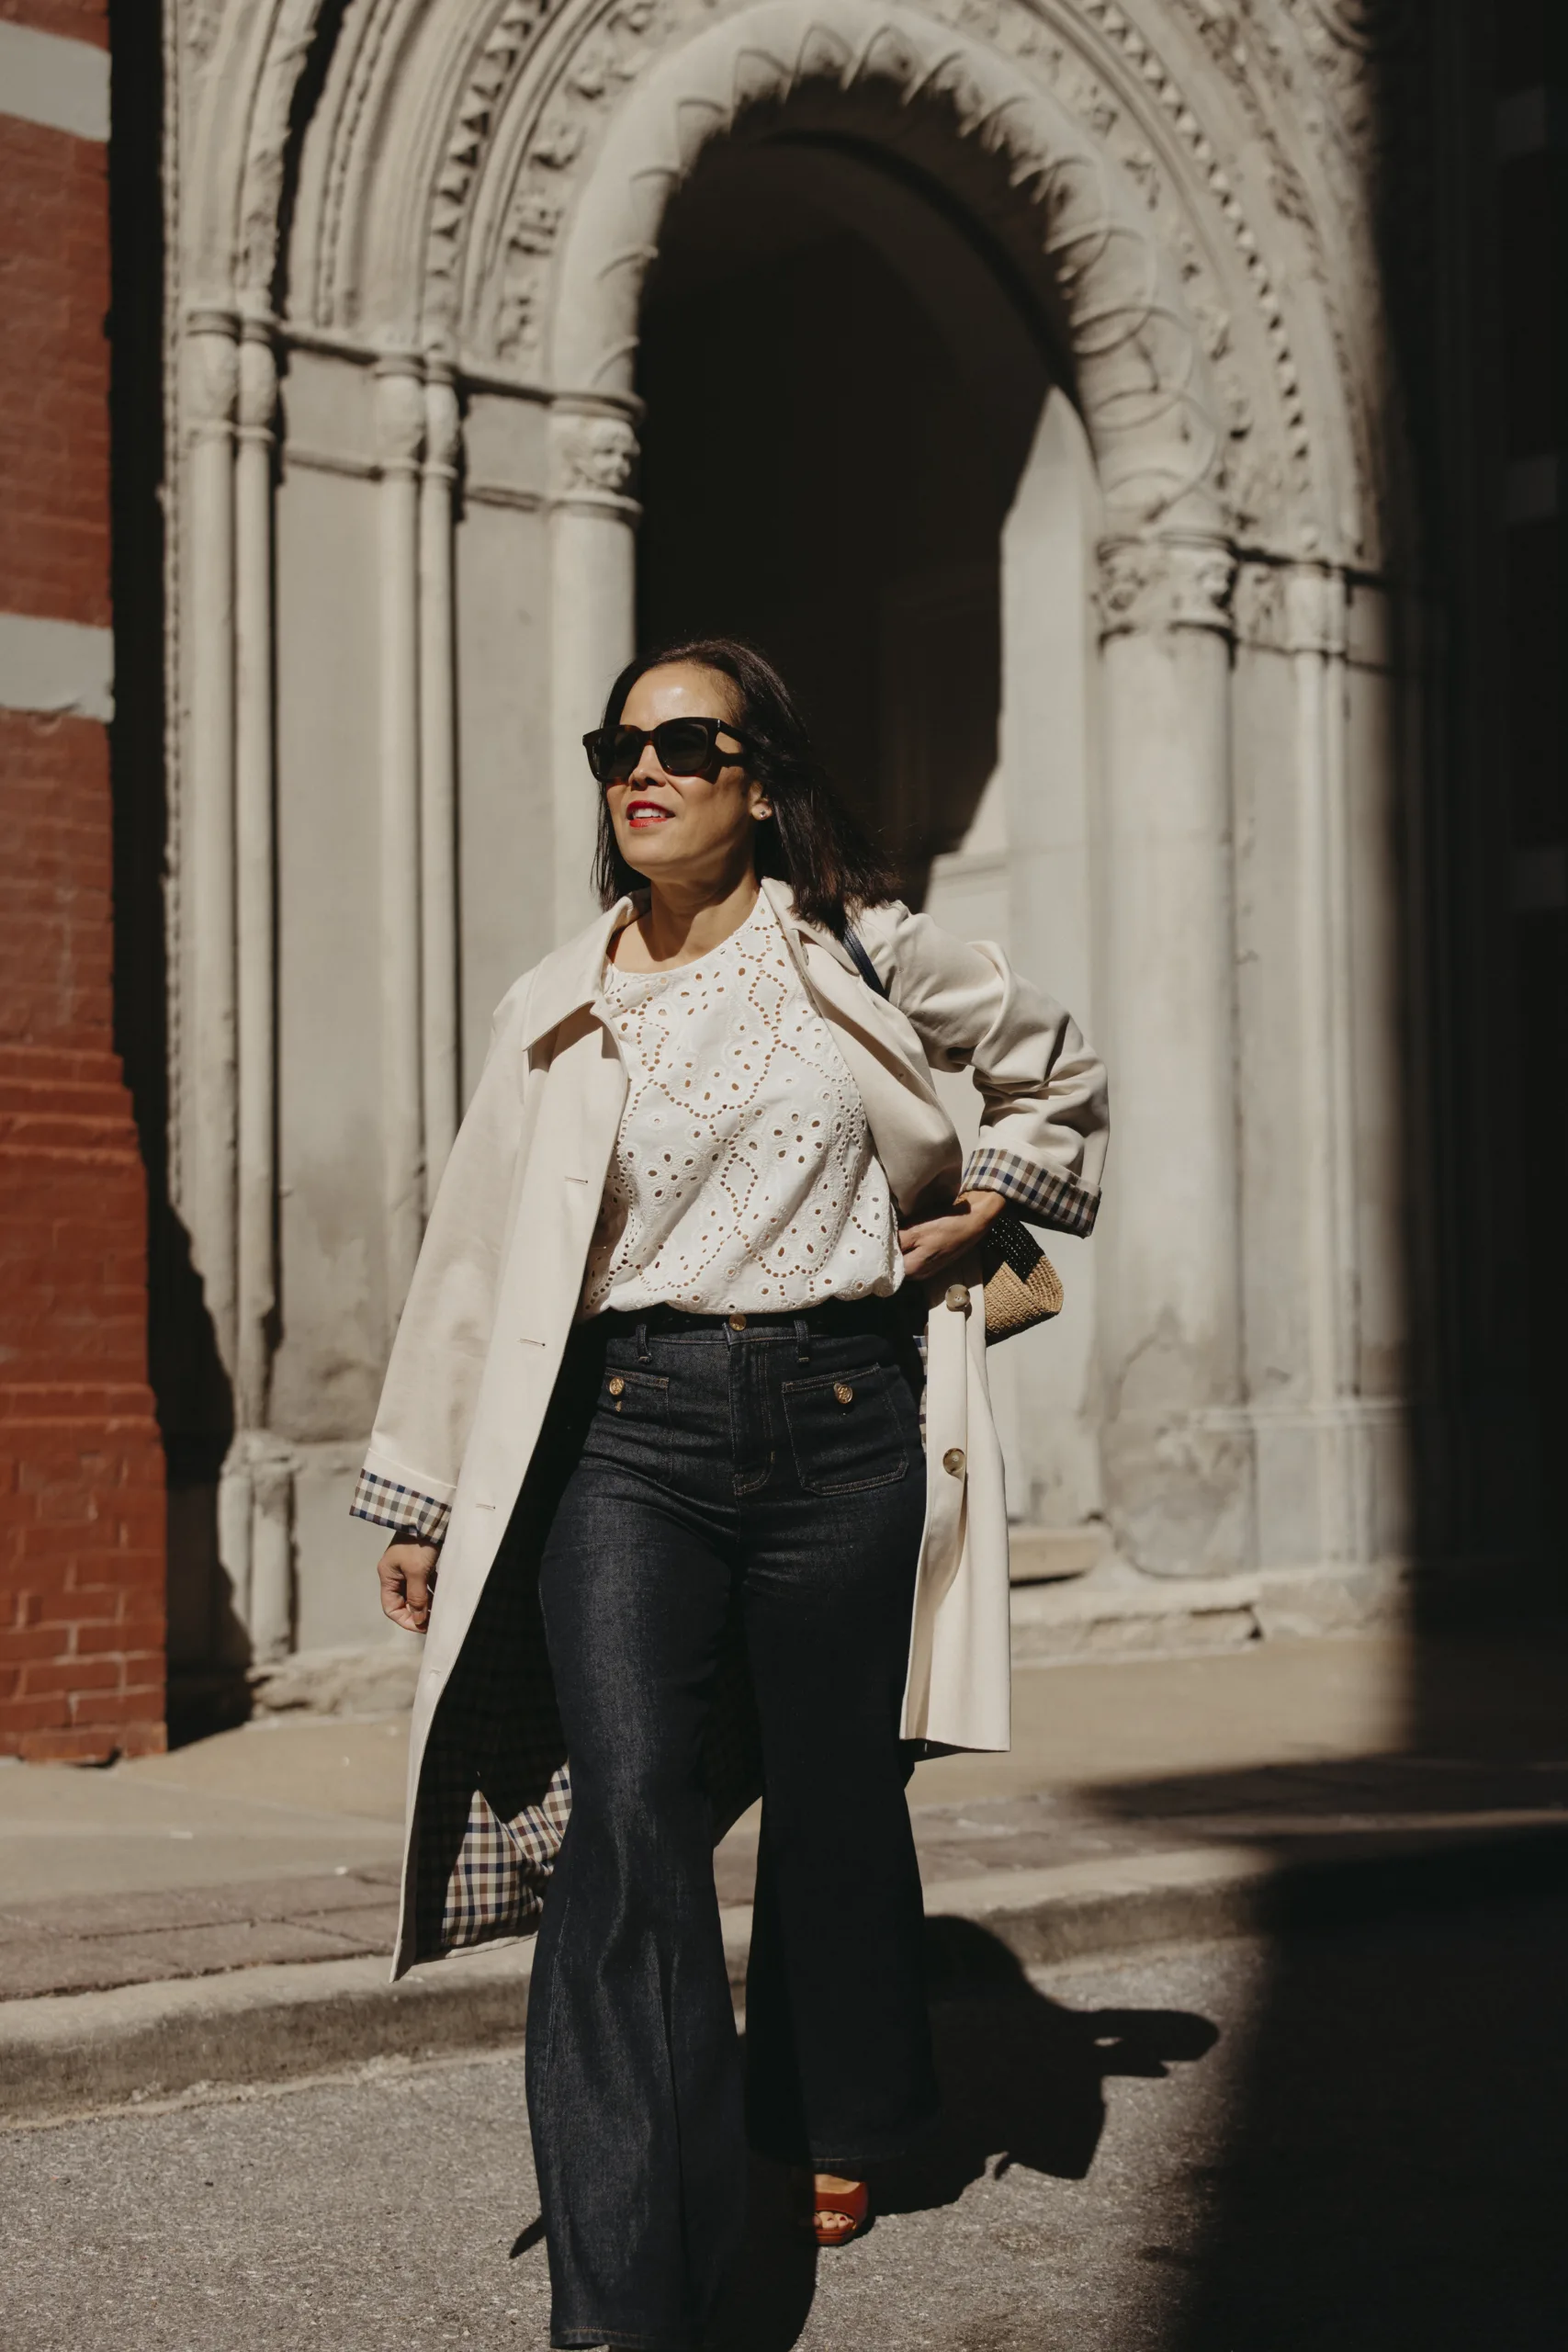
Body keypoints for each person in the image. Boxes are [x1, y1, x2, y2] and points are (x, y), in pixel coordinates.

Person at [353, 638, 1109, 2351]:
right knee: (629, 1827)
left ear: (757, 782)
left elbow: (1052, 1065)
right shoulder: (556, 1004)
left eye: (686, 744)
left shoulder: (863, 948)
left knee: (835, 1799)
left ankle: (829, 2106)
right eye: (620, 745)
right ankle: (630, 2292)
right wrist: (421, 1493)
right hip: (630, 1438)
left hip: (845, 1423)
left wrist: (989, 1202)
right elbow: (472, 1258)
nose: (645, 770)